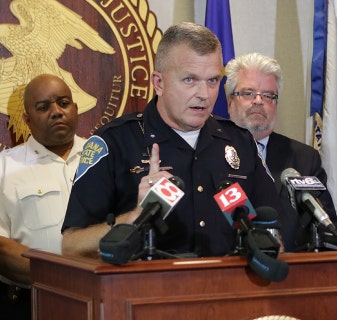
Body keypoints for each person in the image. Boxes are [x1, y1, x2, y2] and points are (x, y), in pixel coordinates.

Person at [61, 22, 283, 259]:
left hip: (228, 289)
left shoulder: (239, 141)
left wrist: (265, 241)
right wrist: (136, 217)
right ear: (159, 83)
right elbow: (71, 246)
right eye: (190, 80)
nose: (204, 94)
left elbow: (273, 235)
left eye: (213, 81)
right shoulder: (114, 143)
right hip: (145, 292)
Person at [226, 52, 337, 252]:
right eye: (248, 93)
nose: (258, 101)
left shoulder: (303, 158)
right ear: (229, 102)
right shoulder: (210, 154)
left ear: (276, 104)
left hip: (293, 272)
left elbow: (327, 229)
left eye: (268, 95)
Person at [0, 74, 84, 320]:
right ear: (27, 119)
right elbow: (1, 247)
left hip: (103, 301)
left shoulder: (104, 159)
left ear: (76, 109)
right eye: (43, 107)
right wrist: (62, 278)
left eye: (64, 103)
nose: (57, 112)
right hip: (29, 306)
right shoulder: (5, 168)